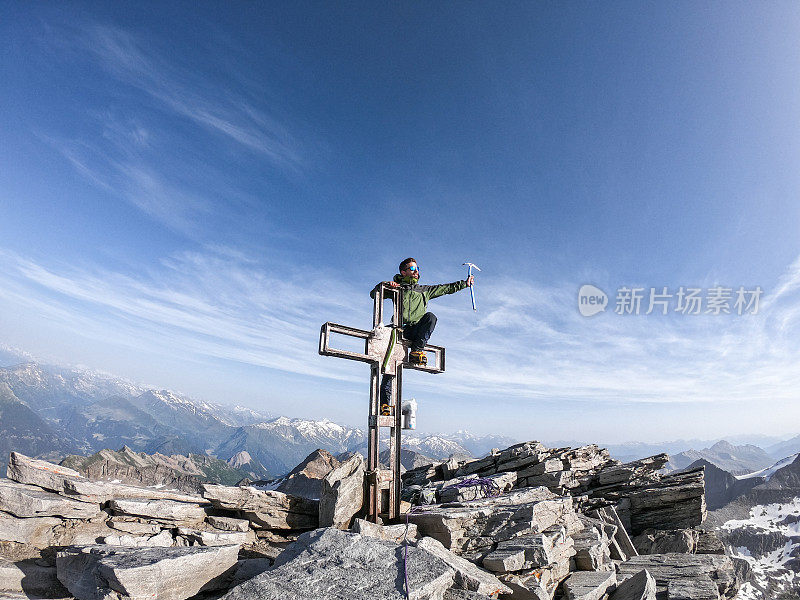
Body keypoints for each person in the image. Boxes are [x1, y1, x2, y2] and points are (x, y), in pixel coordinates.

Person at [371, 257, 474, 412]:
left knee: (430, 317)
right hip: (399, 330)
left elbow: (445, 288)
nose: (416, 271)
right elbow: (374, 294)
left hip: (415, 331)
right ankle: (385, 405)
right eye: (412, 269)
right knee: (390, 367)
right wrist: (386, 286)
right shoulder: (398, 289)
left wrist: (464, 284)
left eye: (417, 268)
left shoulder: (424, 290)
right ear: (403, 271)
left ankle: (417, 350)